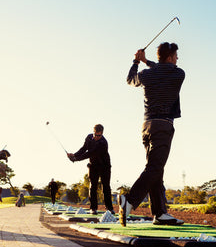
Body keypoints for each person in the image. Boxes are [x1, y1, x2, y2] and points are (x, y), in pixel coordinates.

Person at [119, 42, 185, 226]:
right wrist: (146, 60)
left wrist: (137, 61)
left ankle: (160, 213)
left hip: (146, 126)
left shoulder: (146, 74)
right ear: (171, 57)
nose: (178, 59)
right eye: (176, 56)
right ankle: (130, 201)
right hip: (163, 126)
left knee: (156, 168)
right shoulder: (178, 74)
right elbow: (164, 69)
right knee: (155, 167)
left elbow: (130, 79)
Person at [67, 124, 114, 215]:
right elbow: (84, 149)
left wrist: (76, 159)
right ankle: (93, 208)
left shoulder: (103, 143)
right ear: (93, 132)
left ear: (102, 134)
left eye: (99, 135)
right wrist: (74, 155)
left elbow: (90, 153)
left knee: (106, 187)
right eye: (95, 135)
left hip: (105, 166)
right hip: (93, 166)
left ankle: (109, 208)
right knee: (93, 186)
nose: (96, 137)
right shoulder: (89, 138)